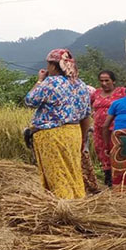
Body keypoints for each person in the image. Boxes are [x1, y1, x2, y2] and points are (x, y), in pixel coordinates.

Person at [24, 49, 93, 199]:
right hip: (74, 133)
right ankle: (77, 202)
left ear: (54, 66)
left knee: (57, 174)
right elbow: (86, 115)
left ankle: (63, 207)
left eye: (48, 65)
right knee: (73, 171)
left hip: (52, 135)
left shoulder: (50, 82)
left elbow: (30, 100)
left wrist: (40, 80)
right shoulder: (81, 85)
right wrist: (83, 139)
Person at [90, 70, 126, 187]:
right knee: (102, 151)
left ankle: (120, 178)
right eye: (101, 81)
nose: (104, 83)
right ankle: (108, 178)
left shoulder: (121, 92)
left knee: (117, 151)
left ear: (113, 81)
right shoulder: (96, 93)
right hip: (99, 129)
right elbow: (88, 105)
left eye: (107, 80)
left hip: (116, 128)